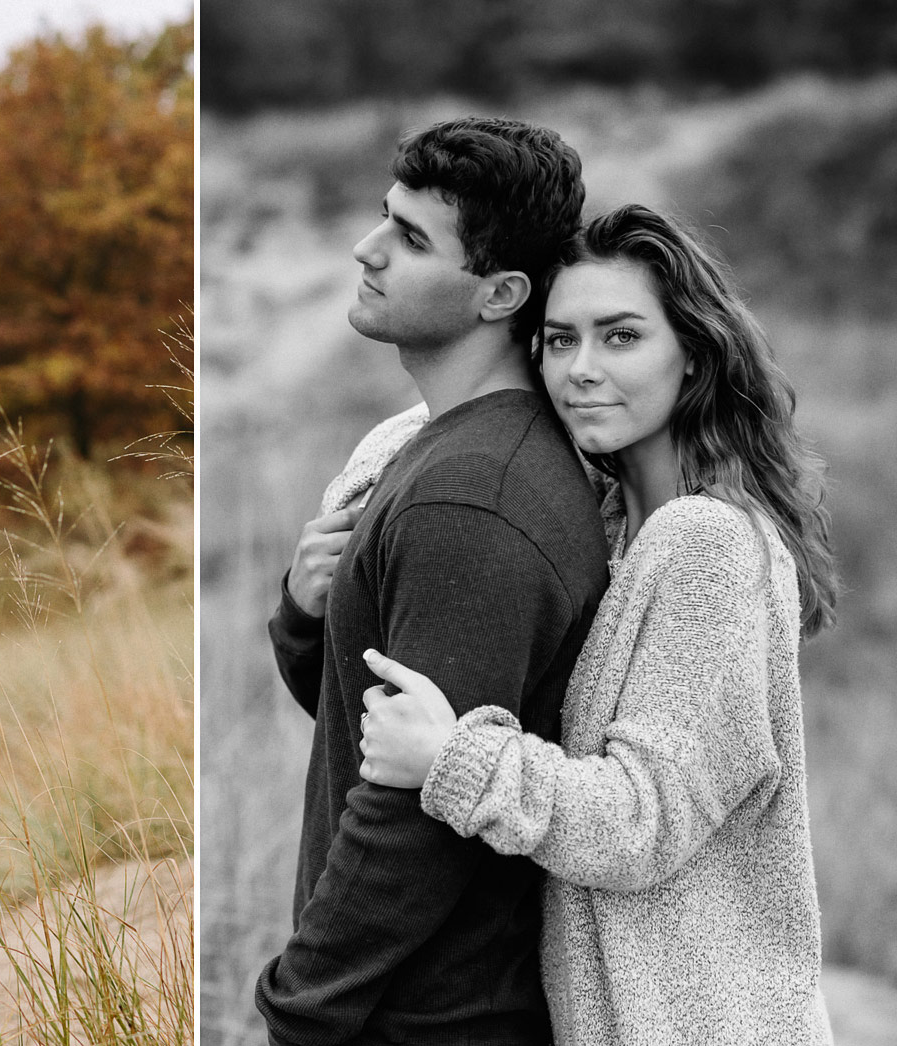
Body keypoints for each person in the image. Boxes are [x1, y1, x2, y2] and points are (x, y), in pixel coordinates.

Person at [358, 204, 839, 1045]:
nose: (581, 368)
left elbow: (640, 820)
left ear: (693, 353)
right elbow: (452, 418)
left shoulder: (707, 543)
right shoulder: (612, 523)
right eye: (557, 340)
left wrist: (451, 758)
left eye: (620, 337)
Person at [256, 117, 612, 1045]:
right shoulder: (434, 453)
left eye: (412, 239)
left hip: (425, 1019)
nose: (367, 251)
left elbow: (416, 812)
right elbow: (361, 717)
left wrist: (300, 1005)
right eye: (385, 218)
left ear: (501, 293)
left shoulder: (473, 499)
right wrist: (304, 615)